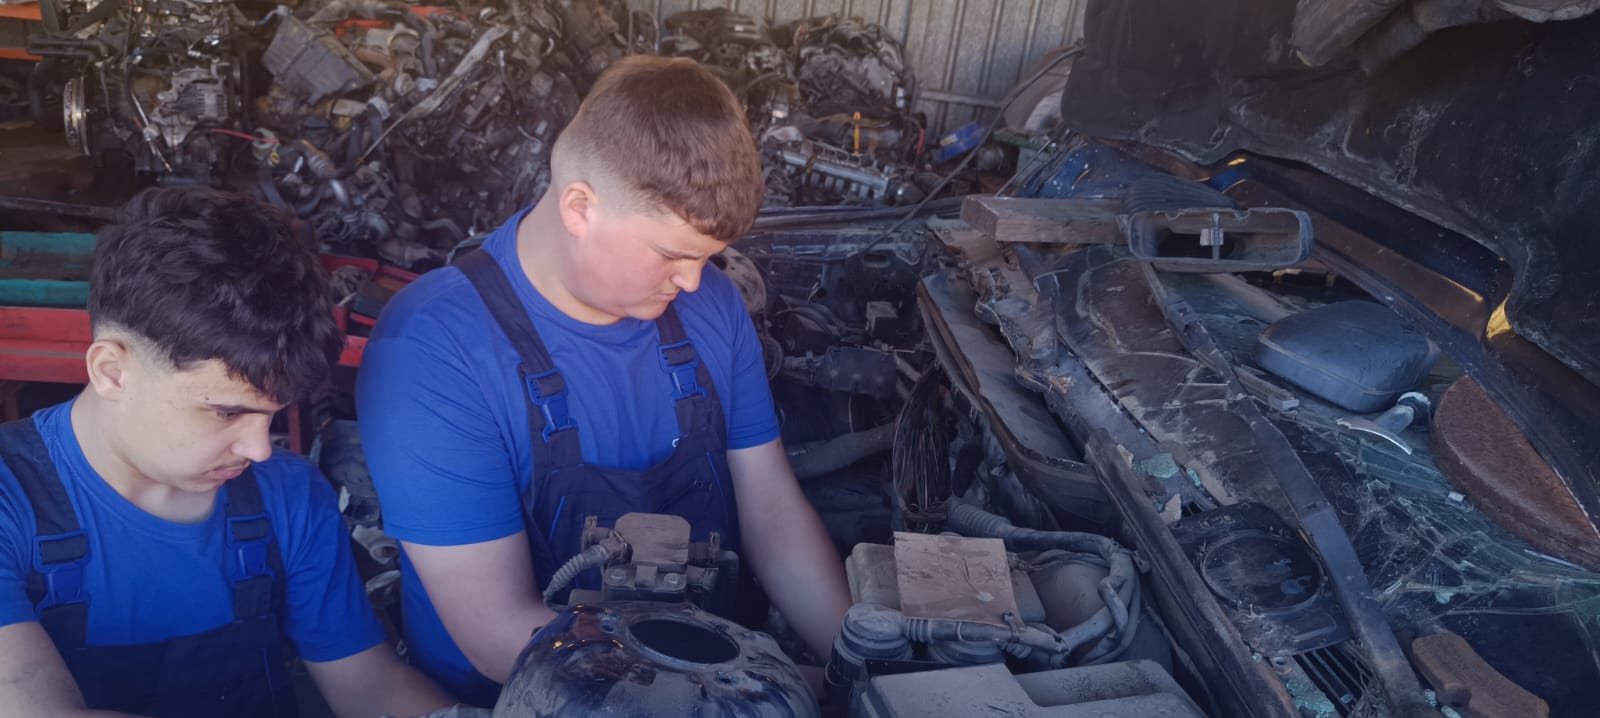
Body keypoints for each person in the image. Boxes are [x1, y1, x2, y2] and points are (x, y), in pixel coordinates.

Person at [356, 55, 852, 705]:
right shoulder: (432, 349)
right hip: (523, 695)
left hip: (714, 678)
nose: (693, 282)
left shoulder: (713, 305)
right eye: (672, 254)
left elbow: (772, 511)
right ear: (580, 207)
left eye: (708, 257)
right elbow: (495, 628)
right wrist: (745, 694)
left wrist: (856, 667)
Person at [0, 187, 455, 717]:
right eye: (226, 412)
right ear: (112, 372)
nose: (260, 450)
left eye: (273, 415)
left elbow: (369, 688)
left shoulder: (288, 495)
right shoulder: (11, 499)